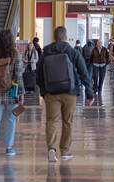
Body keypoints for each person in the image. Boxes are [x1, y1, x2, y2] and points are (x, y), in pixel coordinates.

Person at [36, 26, 95, 163]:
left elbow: (38, 76)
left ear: (54, 37)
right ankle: (65, 151)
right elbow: (84, 72)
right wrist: (89, 93)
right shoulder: (72, 51)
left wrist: (45, 92)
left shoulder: (46, 52)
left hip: (52, 93)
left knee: (51, 121)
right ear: (66, 37)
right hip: (70, 92)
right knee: (67, 122)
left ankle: (51, 149)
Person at [0, 30, 24, 159]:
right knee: (10, 119)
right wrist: (21, 93)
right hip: (10, 92)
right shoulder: (15, 54)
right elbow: (18, 75)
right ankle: (8, 148)